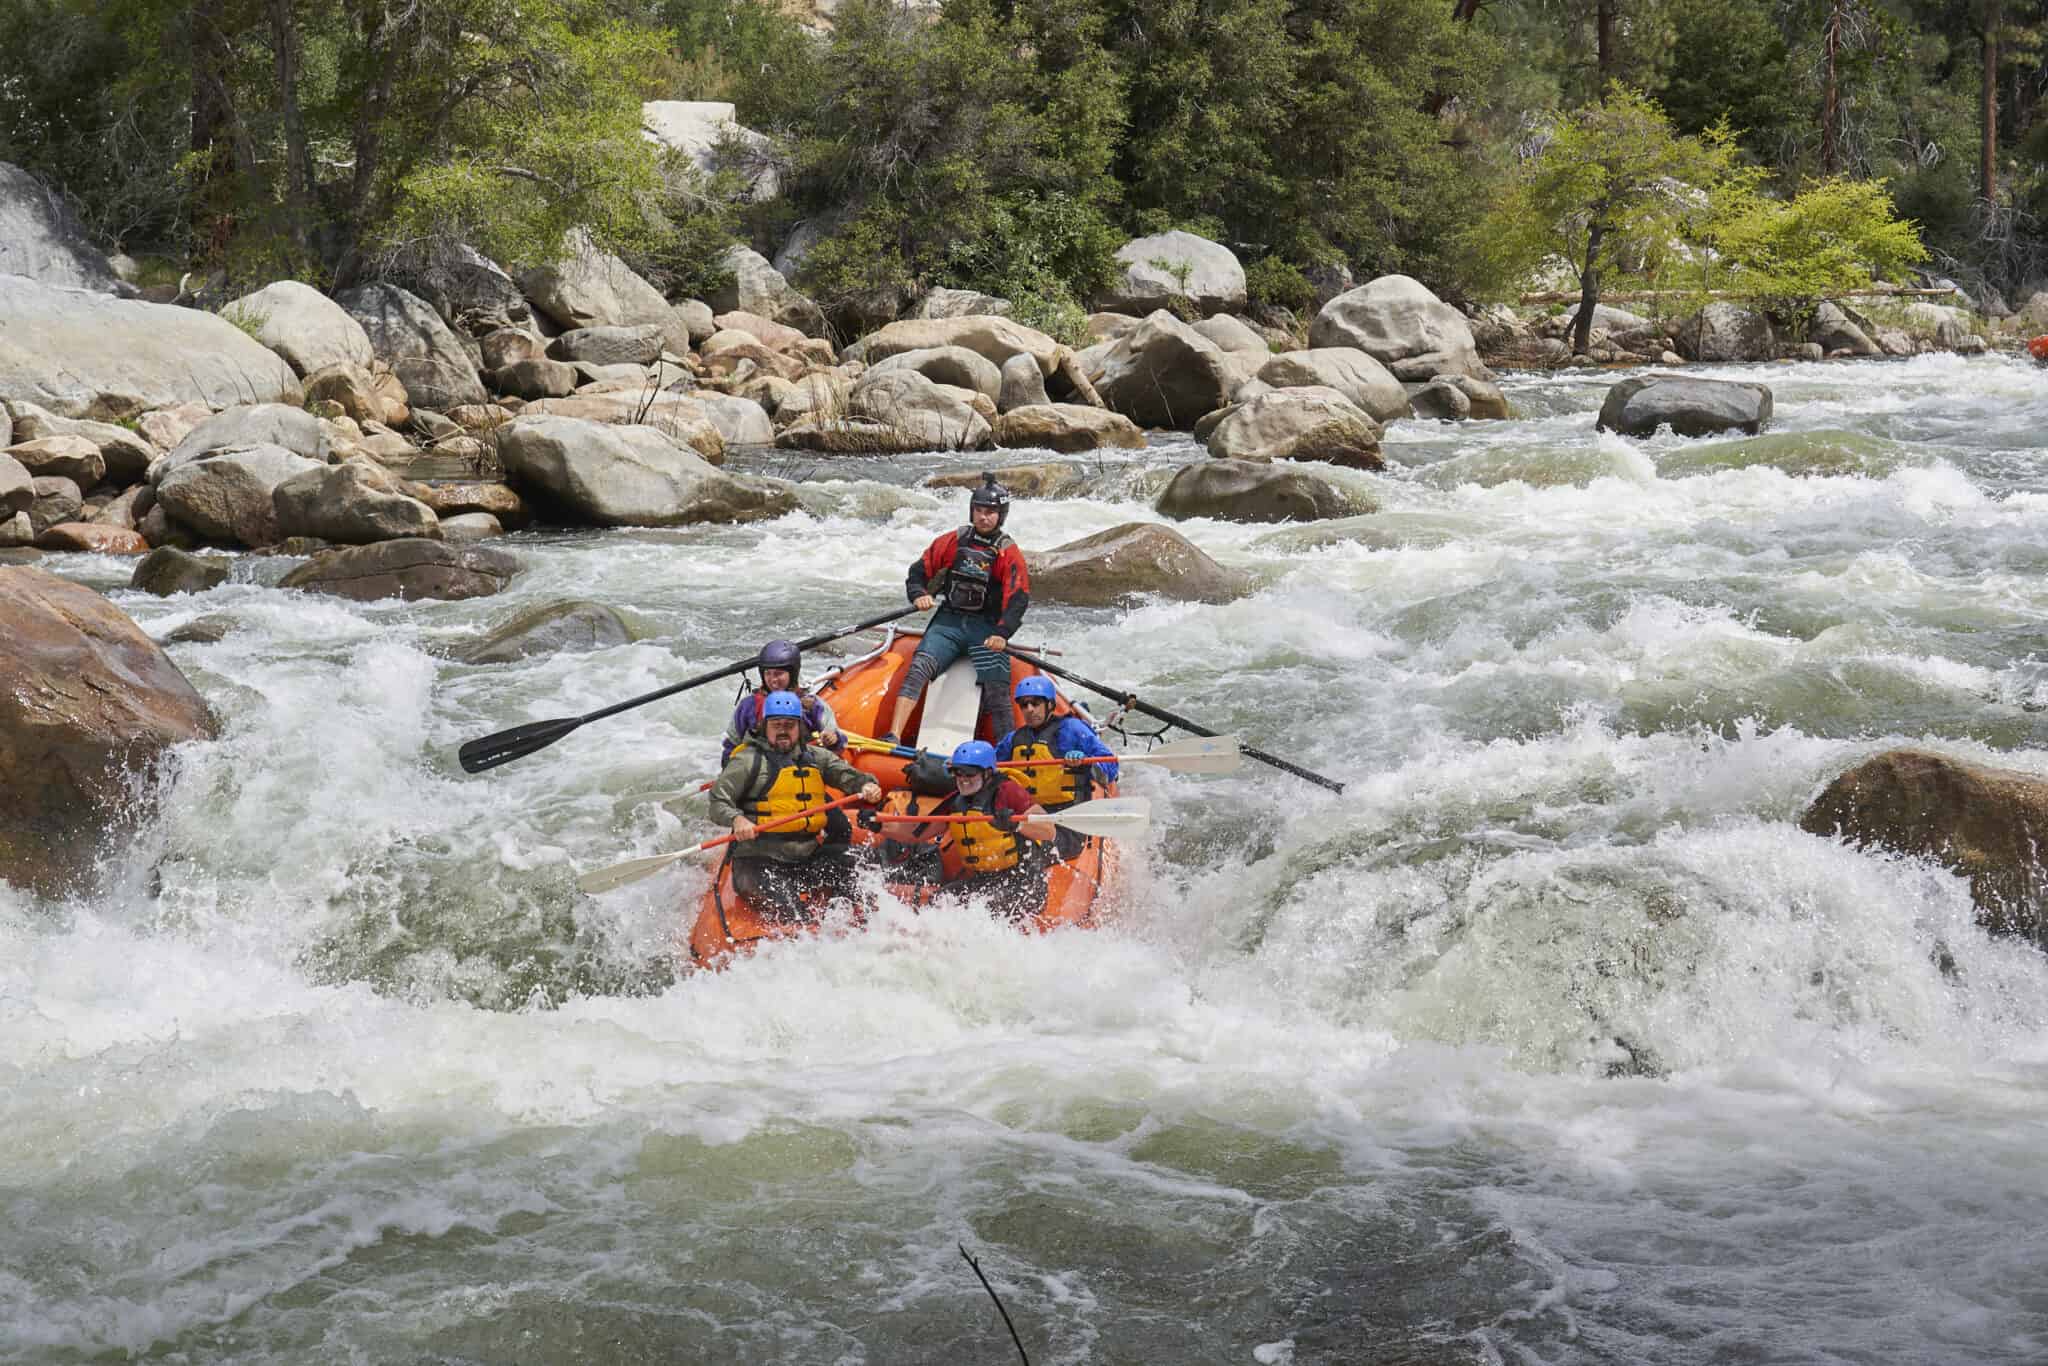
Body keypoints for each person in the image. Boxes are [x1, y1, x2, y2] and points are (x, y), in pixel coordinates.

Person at [878, 474, 1030, 745]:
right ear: (972, 510)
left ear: (1001, 515)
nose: (984, 518)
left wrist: (1002, 633)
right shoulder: (953, 540)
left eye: (991, 513)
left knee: (997, 687)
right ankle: (894, 735)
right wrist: (919, 593)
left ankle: (1007, 748)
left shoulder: (1008, 552)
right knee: (919, 668)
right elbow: (918, 571)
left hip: (985, 628)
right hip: (949, 621)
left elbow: (1017, 600)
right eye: (979, 511)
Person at [707, 691, 881, 922]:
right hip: (758, 863)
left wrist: (868, 784)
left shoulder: (815, 757)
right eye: (776, 724)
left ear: (799, 727)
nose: (782, 730)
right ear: (764, 727)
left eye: (789, 725)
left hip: (805, 857)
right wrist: (737, 819)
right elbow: (718, 801)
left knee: (858, 865)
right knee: (795, 916)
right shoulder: (748, 761)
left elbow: (848, 776)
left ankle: (853, 919)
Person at [924, 739, 1056, 919]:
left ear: (987, 773)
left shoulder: (1008, 791)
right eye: (957, 772)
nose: (962, 779)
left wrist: (1017, 824)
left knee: (988, 907)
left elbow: (1049, 830)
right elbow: (917, 833)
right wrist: (879, 823)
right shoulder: (956, 800)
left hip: (1023, 880)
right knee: (939, 900)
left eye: (969, 773)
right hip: (984, 880)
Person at [993, 675, 1118, 859]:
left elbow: (1111, 765)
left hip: (1067, 823)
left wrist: (1085, 764)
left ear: (1050, 704)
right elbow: (990, 769)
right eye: (1024, 705)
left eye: (1035, 703)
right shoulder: (1013, 739)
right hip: (1030, 818)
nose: (1029, 709)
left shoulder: (1072, 729)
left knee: (1027, 855)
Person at [721, 638, 843, 763]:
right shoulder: (749, 706)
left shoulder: (811, 704)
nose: (773, 679)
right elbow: (731, 744)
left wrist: (833, 739)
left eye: (778, 674)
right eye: (768, 673)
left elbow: (837, 738)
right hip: (761, 769)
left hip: (800, 767)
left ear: (793, 674)